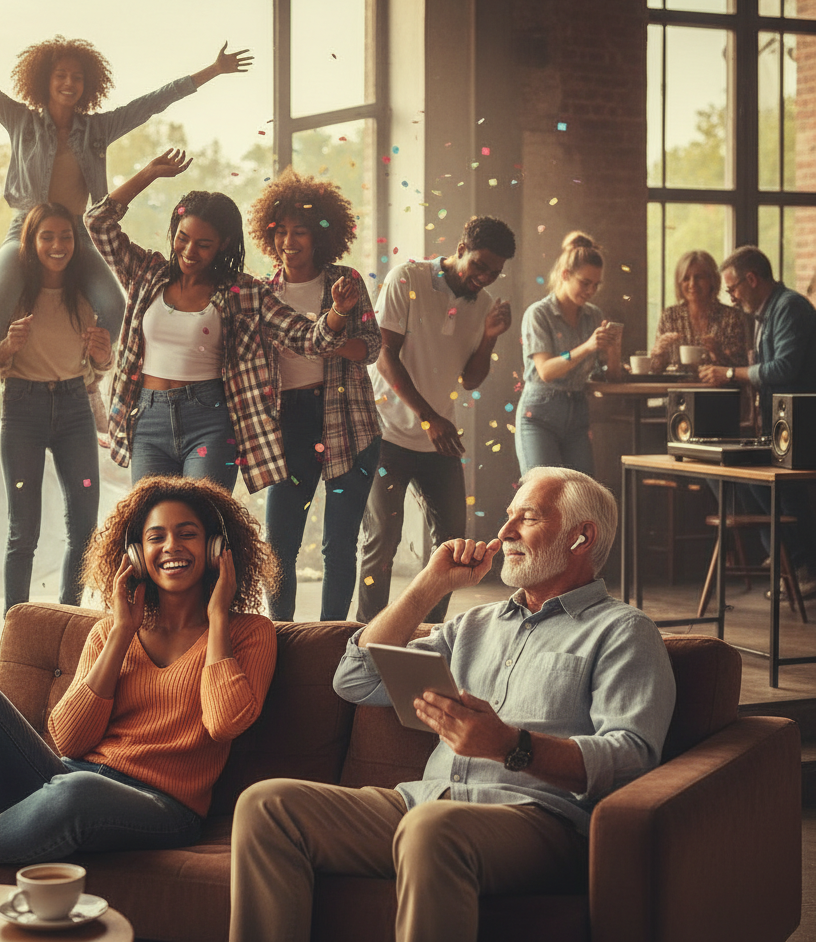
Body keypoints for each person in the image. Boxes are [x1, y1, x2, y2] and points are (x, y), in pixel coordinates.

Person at [229, 466, 676, 942]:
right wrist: (429, 586)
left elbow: (632, 757)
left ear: (580, 537)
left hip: (538, 822)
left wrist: (511, 745)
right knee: (267, 804)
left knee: (432, 829)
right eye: (508, 517)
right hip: (424, 804)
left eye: (527, 518)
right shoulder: (472, 626)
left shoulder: (624, 632)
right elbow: (354, 679)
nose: (504, 532)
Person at [0, 475, 279, 888]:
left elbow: (224, 723)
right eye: (155, 537)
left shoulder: (248, 633)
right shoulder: (111, 630)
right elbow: (70, 740)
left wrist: (218, 617)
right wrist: (122, 631)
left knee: (78, 792)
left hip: (164, 809)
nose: (171, 546)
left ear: (217, 549)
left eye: (188, 534)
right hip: (67, 781)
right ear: (136, 555)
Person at [0, 3, 251, 429]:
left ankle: (91, 383)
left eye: (77, 77)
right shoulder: (18, 120)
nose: (69, 83)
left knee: (114, 304)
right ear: (45, 81)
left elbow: (154, 102)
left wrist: (212, 70)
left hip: (77, 232)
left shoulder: (97, 129)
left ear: (87, 85)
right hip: (26, 227)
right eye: (61, 76)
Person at [84, 150, 360, 494]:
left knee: (204, 520)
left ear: (223, 245)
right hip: (148, 417)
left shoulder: (243, 292)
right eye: (182, 238)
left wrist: (338, 312)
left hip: (209, 421)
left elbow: (309, 340)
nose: (188, 251)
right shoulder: (146, 272)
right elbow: (97, 222)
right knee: (149, 523)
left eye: (203, 244)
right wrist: (149, 174)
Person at [356, 215, 515, 624]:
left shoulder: (483, 305)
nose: (484, 277)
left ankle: (429, 630)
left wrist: (490, 337)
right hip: (388, 431)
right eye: (479, 265)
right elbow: (382, 353)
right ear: (460, 248)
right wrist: (428, 417)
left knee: (454, 544)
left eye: (494, 272)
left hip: (439, 440)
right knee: (382, 539)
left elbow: (470, 378)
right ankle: (364, 633)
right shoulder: (407, 279)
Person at [246, 169, 381, 621]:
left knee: (339, 543)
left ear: (320, 235)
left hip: (348, 418)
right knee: (279, 543)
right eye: (280, 232)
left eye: (299, 231)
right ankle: (279, 635)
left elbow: (370, 348)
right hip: (290, 420)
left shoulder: (345, 281)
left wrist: (327, 332)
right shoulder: (264, 293)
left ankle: (330, 641)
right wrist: (322, 332)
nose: (289, 241)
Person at [0, 203, 113, 612]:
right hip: (23, 410)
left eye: (65, 236)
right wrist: (6, 348)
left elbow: (98, 364)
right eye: (46, 236)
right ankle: (17, 625)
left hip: (74, 409)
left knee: (84, 526)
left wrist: (103, 357)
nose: (57, 245)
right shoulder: (13, 297)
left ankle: (69, 617)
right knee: (22, 531)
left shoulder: (84, 298)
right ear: (30, 242)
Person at [700, 245, 816, 594]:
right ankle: (785, 558)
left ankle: (801, 566)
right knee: (755, 481)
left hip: (799, 424)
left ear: (751, 279)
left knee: (785, 493)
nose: (732, 297)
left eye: (733, 288)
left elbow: (784, 368)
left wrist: (730, 372)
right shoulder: (772, 311)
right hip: (782, 424)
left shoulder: (790, 307)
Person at [515, 231, 622, 477]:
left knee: (582, 494)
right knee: (543, 493)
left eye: (596, 285)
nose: (591, 290)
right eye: (585, 283)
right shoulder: (538, 314)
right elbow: (545, 371)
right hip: (539, 416)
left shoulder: (593, 315)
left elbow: (612, 376)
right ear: (565, 275)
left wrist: (614, 350)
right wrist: (588, 346)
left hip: (577, 414)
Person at [649, 249, 751, 373]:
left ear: (712, 280)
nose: (692, 284)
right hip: (677, 390)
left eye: (699, 277)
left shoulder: (731, 317)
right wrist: (659, 352)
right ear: (679, 283)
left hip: (718, 390)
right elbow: (654, 370)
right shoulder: (669, 316)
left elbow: (741, 368)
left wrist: (719, 354)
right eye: (686, 278)